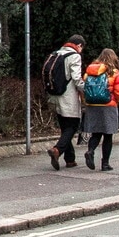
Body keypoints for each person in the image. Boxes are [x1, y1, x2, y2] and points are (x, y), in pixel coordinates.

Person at [43, 33, 87, 170]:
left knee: (65, 128)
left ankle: (70, 159)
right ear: (79, 45)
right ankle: (57, 150)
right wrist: (86, 90)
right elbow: (76, 78)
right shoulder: (74, 56)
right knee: (72, 126)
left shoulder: (56, 54)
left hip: (54, 96)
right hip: (68, 97)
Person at [81, 48, 119, 171]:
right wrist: (116, 100)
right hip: (108, 106)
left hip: (92, 106)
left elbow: (84, 88)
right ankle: (105, 164)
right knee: (108, 136)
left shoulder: (90, 71)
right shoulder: (114, 73)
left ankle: (90, 151)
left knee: (95, 133)